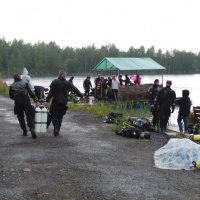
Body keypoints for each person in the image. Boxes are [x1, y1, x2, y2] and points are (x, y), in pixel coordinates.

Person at [44, 70, 83, 136]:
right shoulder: (67, 83)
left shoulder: (54, 82)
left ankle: (55, 126)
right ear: (64, 75)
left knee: (54, 115)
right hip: (63, 101)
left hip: (55, 101)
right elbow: (75, 89)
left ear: (58, 75)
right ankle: (58, 129)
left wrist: (47, 101)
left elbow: (51, 93)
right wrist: (81, 96)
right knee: (60, 115)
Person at [9, 73, 40, 139]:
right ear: (20, 77)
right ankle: (32, 128)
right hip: (26, 102)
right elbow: (31, 93)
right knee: (30, 116)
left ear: (14, 78)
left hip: (18, 104)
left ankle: (24, 131)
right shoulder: (25, 83)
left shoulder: (12, 86)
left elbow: (11, 96)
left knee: (20, 117)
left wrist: (16, 98)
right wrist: (36, 101)